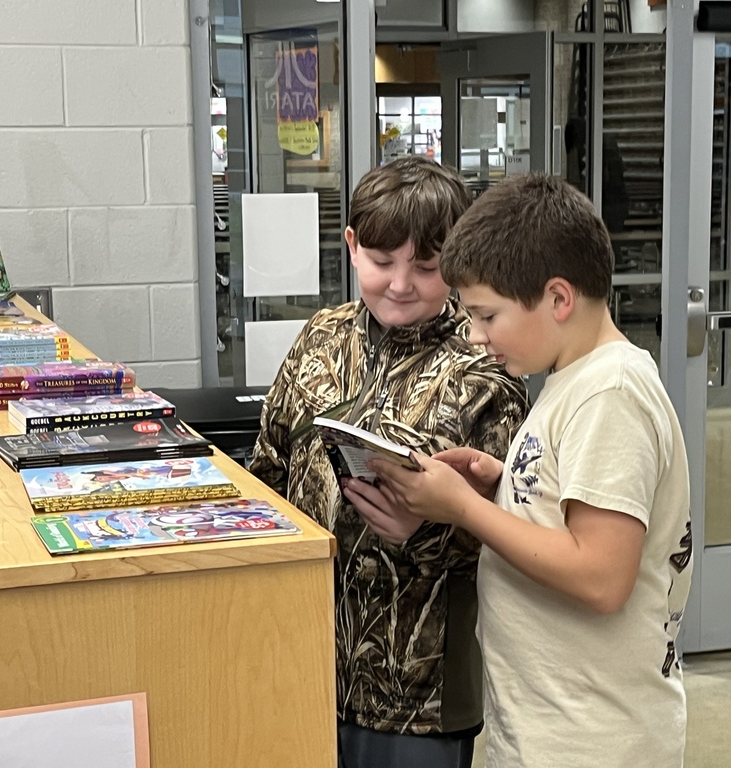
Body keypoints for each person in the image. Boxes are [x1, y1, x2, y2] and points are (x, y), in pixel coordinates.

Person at [366, 174, 693, 767]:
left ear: (559, 299)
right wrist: (504, 484)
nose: (477, 337)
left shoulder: (609, 394)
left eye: (488, 317)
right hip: (548, 726)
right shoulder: (571, 379)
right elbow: (569, 508)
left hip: (592, 740)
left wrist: (465, 509)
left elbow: (601, 575)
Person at [249, 156, 528, 768]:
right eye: (381, 262)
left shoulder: (484, 368)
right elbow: (267, 471)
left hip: (417, 697)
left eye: (426, 268)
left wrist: (426, 532)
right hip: (303, 657)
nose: (401, 284)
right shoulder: (321, 339)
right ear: (351, 247)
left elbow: (518, 537)